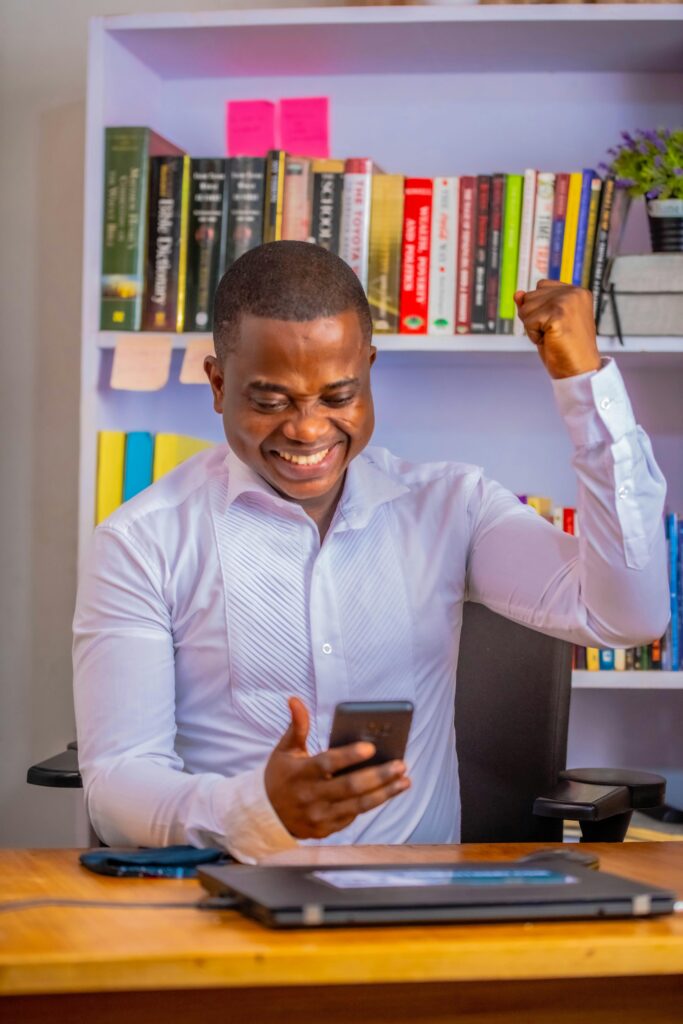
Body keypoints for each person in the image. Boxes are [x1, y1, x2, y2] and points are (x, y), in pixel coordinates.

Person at [73, 241, 669, 861]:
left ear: (369, 370)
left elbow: (626, 615)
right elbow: (116, 788)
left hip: (416, 919)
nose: (307, 428)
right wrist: (254, 810)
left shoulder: (450, 505)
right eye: (272, 401)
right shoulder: (142, 542)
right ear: (219, 385)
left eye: (337, 396)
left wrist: (585, 388)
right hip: (226, 908)